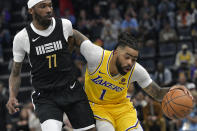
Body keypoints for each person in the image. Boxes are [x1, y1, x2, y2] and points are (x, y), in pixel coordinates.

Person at [71, 30, 192, 131]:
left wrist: (174, 90)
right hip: (97, 107)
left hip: (122, 109)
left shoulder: (136, 70)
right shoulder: (96, 56)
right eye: (127, 57)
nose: (130, 62)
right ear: (116, 52)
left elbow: (157, 93)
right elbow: (75, 35)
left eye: (134, 59)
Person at [6, 0, 96, 131]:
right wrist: (12, 96)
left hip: (71, 90)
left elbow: (74, 40)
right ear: (31, 10)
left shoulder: (65, 25)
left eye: (50, 5)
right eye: (43, 6)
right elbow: (15, 72)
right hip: (46, 96)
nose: (49, 10)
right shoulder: (22, 37)